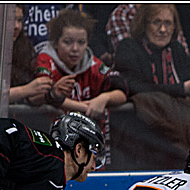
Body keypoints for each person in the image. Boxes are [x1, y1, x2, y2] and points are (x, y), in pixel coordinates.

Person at [113, 4, 190, 168]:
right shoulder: (129, 47)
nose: (162, 30)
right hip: (146, 119)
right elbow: (133, 87)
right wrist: (183, 89)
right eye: (156, 22)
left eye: (168, 23)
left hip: (179, 112)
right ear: (144, 24)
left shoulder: (176, 49)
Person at [33, 9, 129, 169]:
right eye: (67, 42)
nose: (75, 49)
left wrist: (103, 98)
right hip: (53, 150)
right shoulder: (45, 60)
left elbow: (122, 91)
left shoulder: (93, 64)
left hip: (88, 149)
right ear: (55, 42)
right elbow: (38, 96)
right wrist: (83, 107)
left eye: (81, 42)